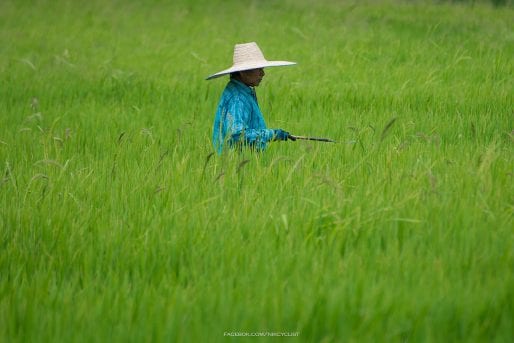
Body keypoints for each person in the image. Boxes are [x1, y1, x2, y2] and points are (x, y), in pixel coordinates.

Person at [206, 42, 297, 153]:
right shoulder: (238, 99)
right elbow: (237, 135)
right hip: (237, 163)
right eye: (258, 69)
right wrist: (272, 134)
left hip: (245, 162)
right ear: (242, 72)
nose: (262, 74)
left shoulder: (241, 91)